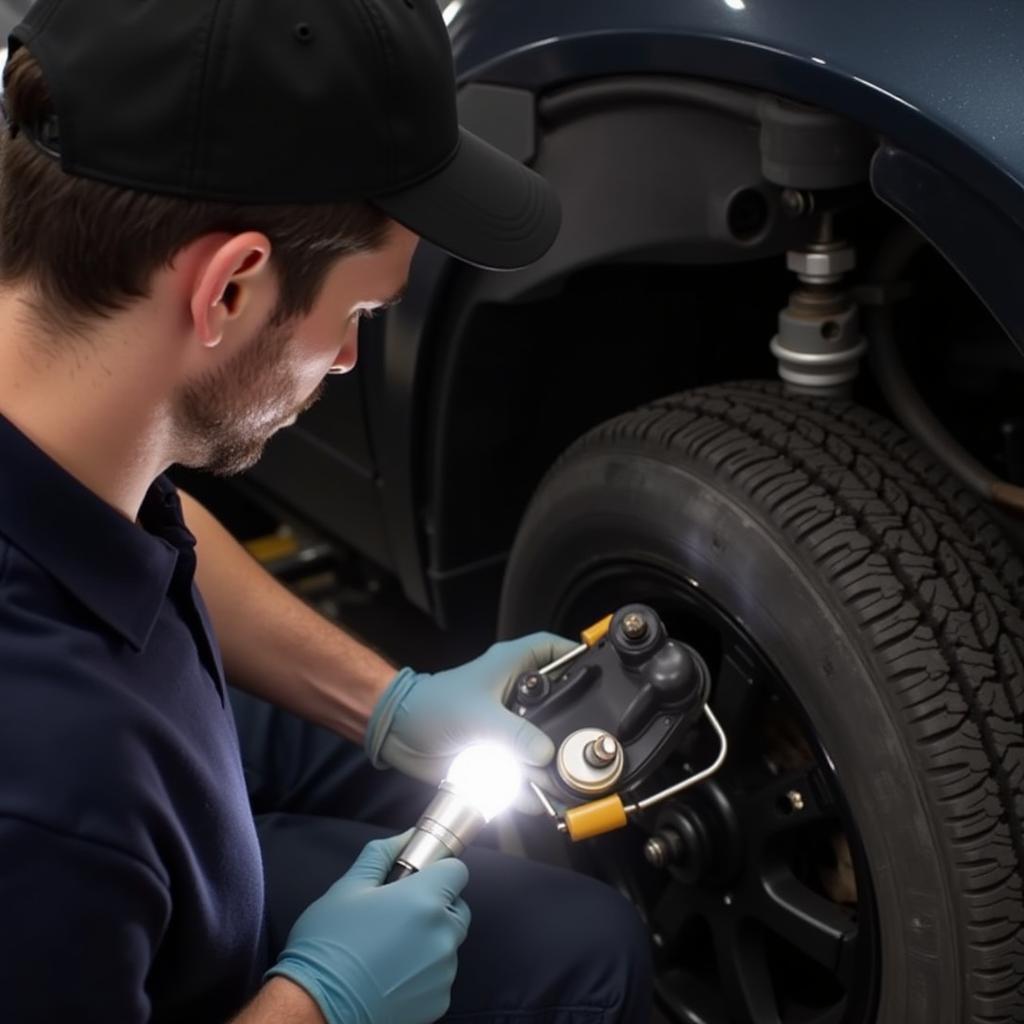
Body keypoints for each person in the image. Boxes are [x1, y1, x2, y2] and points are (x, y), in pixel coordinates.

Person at [0, 1, 653, 1022]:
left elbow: (137, 521)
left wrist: (387, 701)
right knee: (582, 956)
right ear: (228, 290)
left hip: (156, 740)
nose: (347, 360)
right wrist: (320, 1004)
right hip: (112, 842)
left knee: (525, 879)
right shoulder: (49, 802)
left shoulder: (49, 392)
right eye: (353, 314)